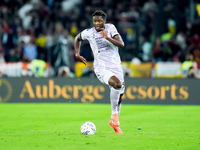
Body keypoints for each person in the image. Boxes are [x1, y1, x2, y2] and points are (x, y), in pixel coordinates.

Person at [74, 10, 125, 134]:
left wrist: (107, 37)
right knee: (117, 84)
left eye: (100, 21)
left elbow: (121, 44)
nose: (97, 23)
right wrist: (77, 54)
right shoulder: (89, 33)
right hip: (101, 68)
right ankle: (114, 117)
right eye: (95, 21)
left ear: (104, 21)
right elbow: (77, 38)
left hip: (116, 66)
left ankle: (115, 124)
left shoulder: (111, 28)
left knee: (120, 96)